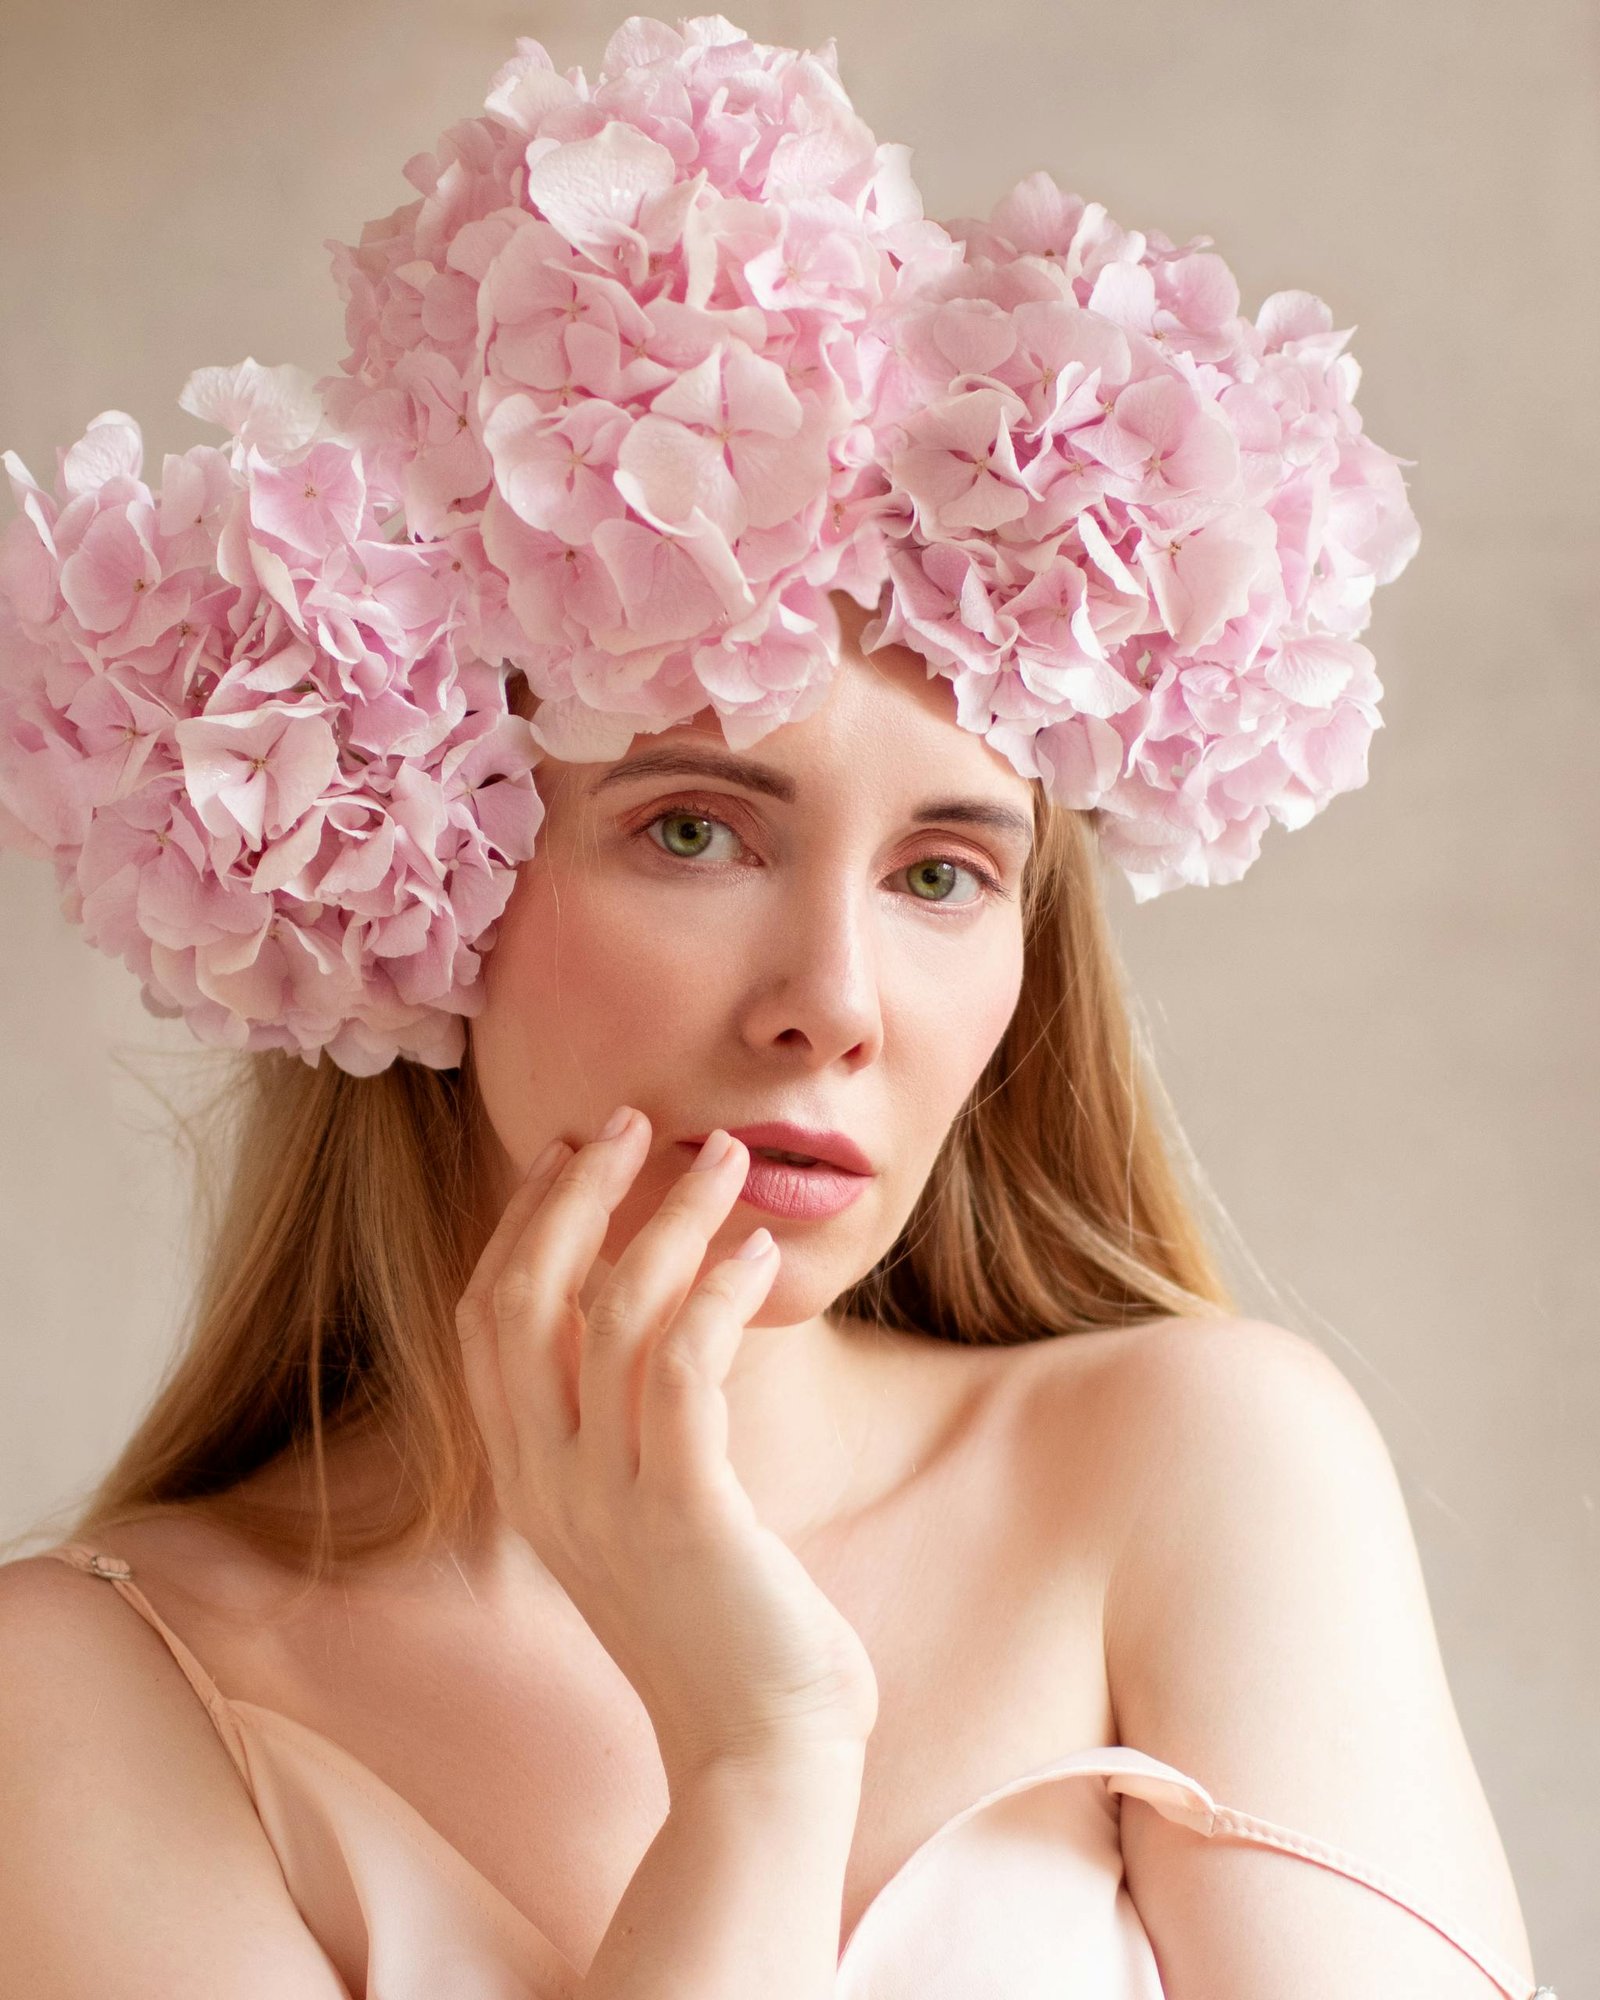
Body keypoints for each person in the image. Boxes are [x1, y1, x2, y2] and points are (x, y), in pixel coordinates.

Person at [0, 16, 1557, 1998]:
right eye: (689, 833)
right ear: (414, 872)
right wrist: (757, 1759)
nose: (833, 1003)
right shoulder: (85, 1690)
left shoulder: (1190, 1466)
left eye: (938, 874)